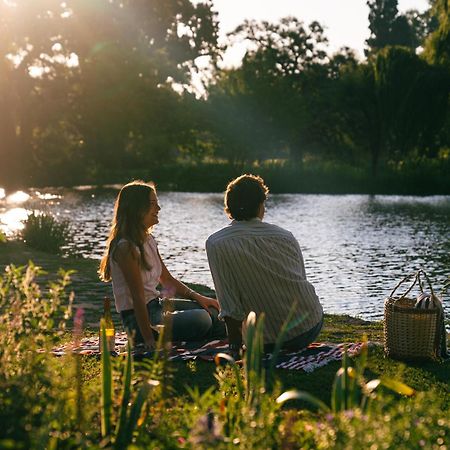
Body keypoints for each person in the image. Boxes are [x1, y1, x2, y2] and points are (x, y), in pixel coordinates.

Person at [99, 180, 225, 350]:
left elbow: (167, 280)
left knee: (214, 311)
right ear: (137, 208)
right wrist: (148, 338)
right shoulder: (126, 247)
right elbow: (137, 298)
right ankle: (199, 333)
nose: (158, 208)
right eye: (152, 204)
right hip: (139, 319)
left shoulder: (148, 240)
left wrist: (199, 297)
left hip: (157, 305)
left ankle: (209, 332)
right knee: (202, 318)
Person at [206, 174, 323, 355]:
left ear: (228, 207)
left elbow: (230, 304)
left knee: (216, 317)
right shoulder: (286, 236)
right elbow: (301, 282)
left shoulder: (216, 243)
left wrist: (235, 347)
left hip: (264, 341)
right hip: (308, 328)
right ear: (261, 205)